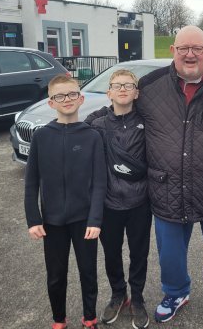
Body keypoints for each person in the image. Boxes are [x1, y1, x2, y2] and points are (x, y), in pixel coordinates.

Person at [136, 25, 203, 325]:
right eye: (183, 48)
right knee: (170, 252)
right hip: (166, 186)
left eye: (197, 48)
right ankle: (175, 292)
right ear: (172, 51)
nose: (190, 54)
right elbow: (117, 116)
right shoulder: (147, 87)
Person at [24, 75, 107, 329]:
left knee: (88, 273)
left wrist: (95, 218)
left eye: (72, 94)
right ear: (51, 103)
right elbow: (31, 182)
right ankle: (59, 319)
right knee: (56, 276)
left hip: (84, 221)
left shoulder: (92, 136)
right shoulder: (41, 137)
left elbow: (99, 182)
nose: (67, 100)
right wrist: (33, 218)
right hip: (52, 222)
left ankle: (89, 317)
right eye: (59, 96)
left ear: (80, 98)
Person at [87, 70, 151, 329]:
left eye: (129, 85)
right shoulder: (97, 125)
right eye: (117, 85)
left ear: (136, 92)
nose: (123, 89)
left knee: (139, 253)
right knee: (111, 252)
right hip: (109, 202)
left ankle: (137, 297)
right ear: (109, 92)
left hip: (140, 202)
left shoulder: (148, 121)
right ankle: (118, 293)